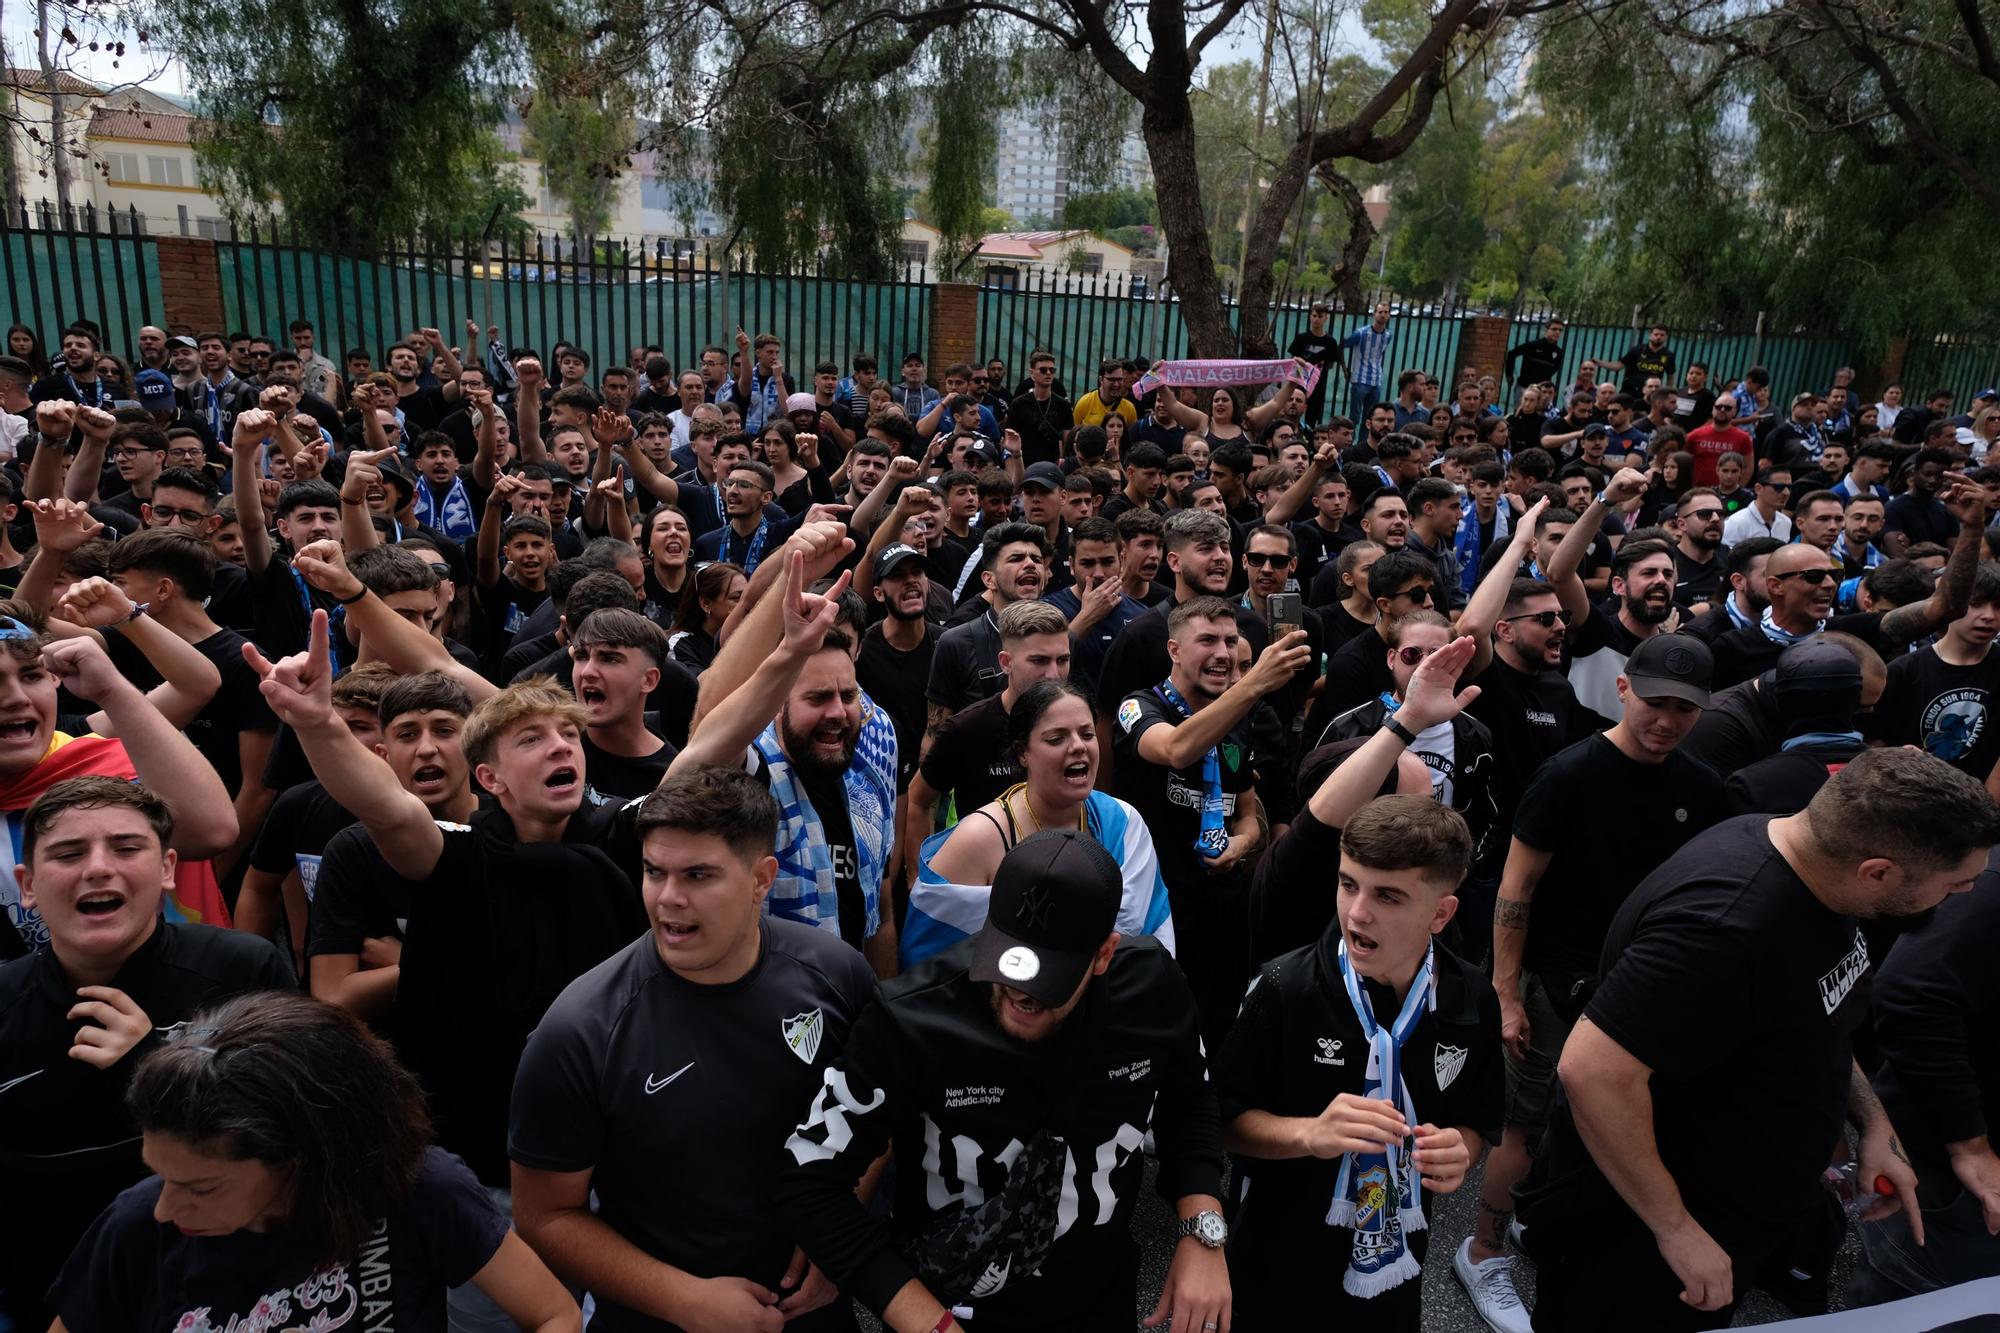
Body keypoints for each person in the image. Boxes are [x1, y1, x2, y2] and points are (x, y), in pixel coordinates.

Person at [1520, 749, 2000, 1329]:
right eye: (1955, 885)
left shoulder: (1818, 875)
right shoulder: (1722, 929)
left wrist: (1875, 1125)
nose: (1964, 897)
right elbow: (1592, 1071)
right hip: (1636, 1238)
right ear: (1877, 871)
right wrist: (1675, 1228)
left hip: (1736, 1212)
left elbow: (1816, 1016)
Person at [778, 829, 1230, 1333]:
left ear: (1104, 954)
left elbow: (1191, 1101)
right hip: (949, 1305)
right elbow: (809, 1180)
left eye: (1046, 978)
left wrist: (1201, 1229)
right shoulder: (913, 1018)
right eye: (1009, 961)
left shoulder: (1152, 990)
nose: (1019, 993)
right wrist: (923, 1320)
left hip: (1097, 1299)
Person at [509, 766, 878, 1333]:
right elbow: (544, 1215)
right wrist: (685, 1300)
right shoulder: (581, 1030)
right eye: (654, 872)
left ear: (762, 879)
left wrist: (841, 1234)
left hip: (817, 1313)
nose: (668, 899)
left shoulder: (837, 974)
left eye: (698, 875)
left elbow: (883, 1118)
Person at [1218, 651, 1499, 1329]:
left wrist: (1460, 1147)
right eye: (1348, 886)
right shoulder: (1286, 986)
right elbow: (1222, 1119)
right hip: (1275, 1256)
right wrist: (1309, 1133)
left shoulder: (1466, 996)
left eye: (1389, 897)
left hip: (1397, 1256)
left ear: (1441, 913)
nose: (1358, 913)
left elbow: (1477, 1117)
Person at [1463, 634, 1728, 1329]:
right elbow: (1516, 887)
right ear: (1622, 689)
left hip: (1643, 991)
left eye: (1684, 708)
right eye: (1653, 701)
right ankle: (1483, 1249)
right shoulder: (1567, 774)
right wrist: (1505, 991)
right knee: (1520, 1133)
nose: (1665, 720)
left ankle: (1538, 1222)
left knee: (1607, 1127)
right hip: (1556, 984)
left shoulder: (1704, 787)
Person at [51, 991, 580, 1333]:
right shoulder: (133, 1228)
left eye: (203, 1187)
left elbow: (554, 1314)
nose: (165, 1208)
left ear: (304, 1160)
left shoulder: (417, 1189)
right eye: (159, 1174)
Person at [0, 778, 288, 1333]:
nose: (98, 868)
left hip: (237, 1294)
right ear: (28, 884)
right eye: (68, 853)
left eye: (127, 848)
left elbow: (302, 1135)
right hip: (51, 1296)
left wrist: (156, 1061)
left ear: (167, 869)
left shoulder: (243, 971)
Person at [1113, 597, 1309, 1049]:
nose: (1222, 652)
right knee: (1157, 1026)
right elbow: (1176, 749)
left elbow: (1246, 815)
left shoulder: (1242, 716)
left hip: (1222, 904)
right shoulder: (1139, 706)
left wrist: (1240, 846)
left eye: (1230, 640)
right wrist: (1255, 684)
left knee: (1220, 1025)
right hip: (1154, 904)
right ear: (1174, 650)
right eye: (1207, 640)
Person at [908, 678, 1172, 966]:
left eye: (1087, 734)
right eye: (1056, 738)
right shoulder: (979, 839)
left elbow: (1148, 945)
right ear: (1023, 753)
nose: (1078, 747)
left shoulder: (1122, 823)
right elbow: (930, 968)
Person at [1851, 849, 2000, 1303]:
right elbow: (1910, 992)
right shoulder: (1990, 887)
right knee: (1930, 1305)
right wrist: (1970, 1145)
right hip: (1962, 1178)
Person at [905, 601, 1074, 881]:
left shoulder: (1078, 724)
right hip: (986, 892)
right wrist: (921, 883)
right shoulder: (968, 729)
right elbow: (917, 801)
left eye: (1063, 660)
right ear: (1006, 662)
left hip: (1063, 878)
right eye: (1039, 661)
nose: (1054, 674)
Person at [1868, 559, 2000, 778]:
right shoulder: (1905, 671)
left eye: (1998, 606)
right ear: (1950, 605)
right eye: (1975, 604)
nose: (1989, 616)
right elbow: (1875, 746)